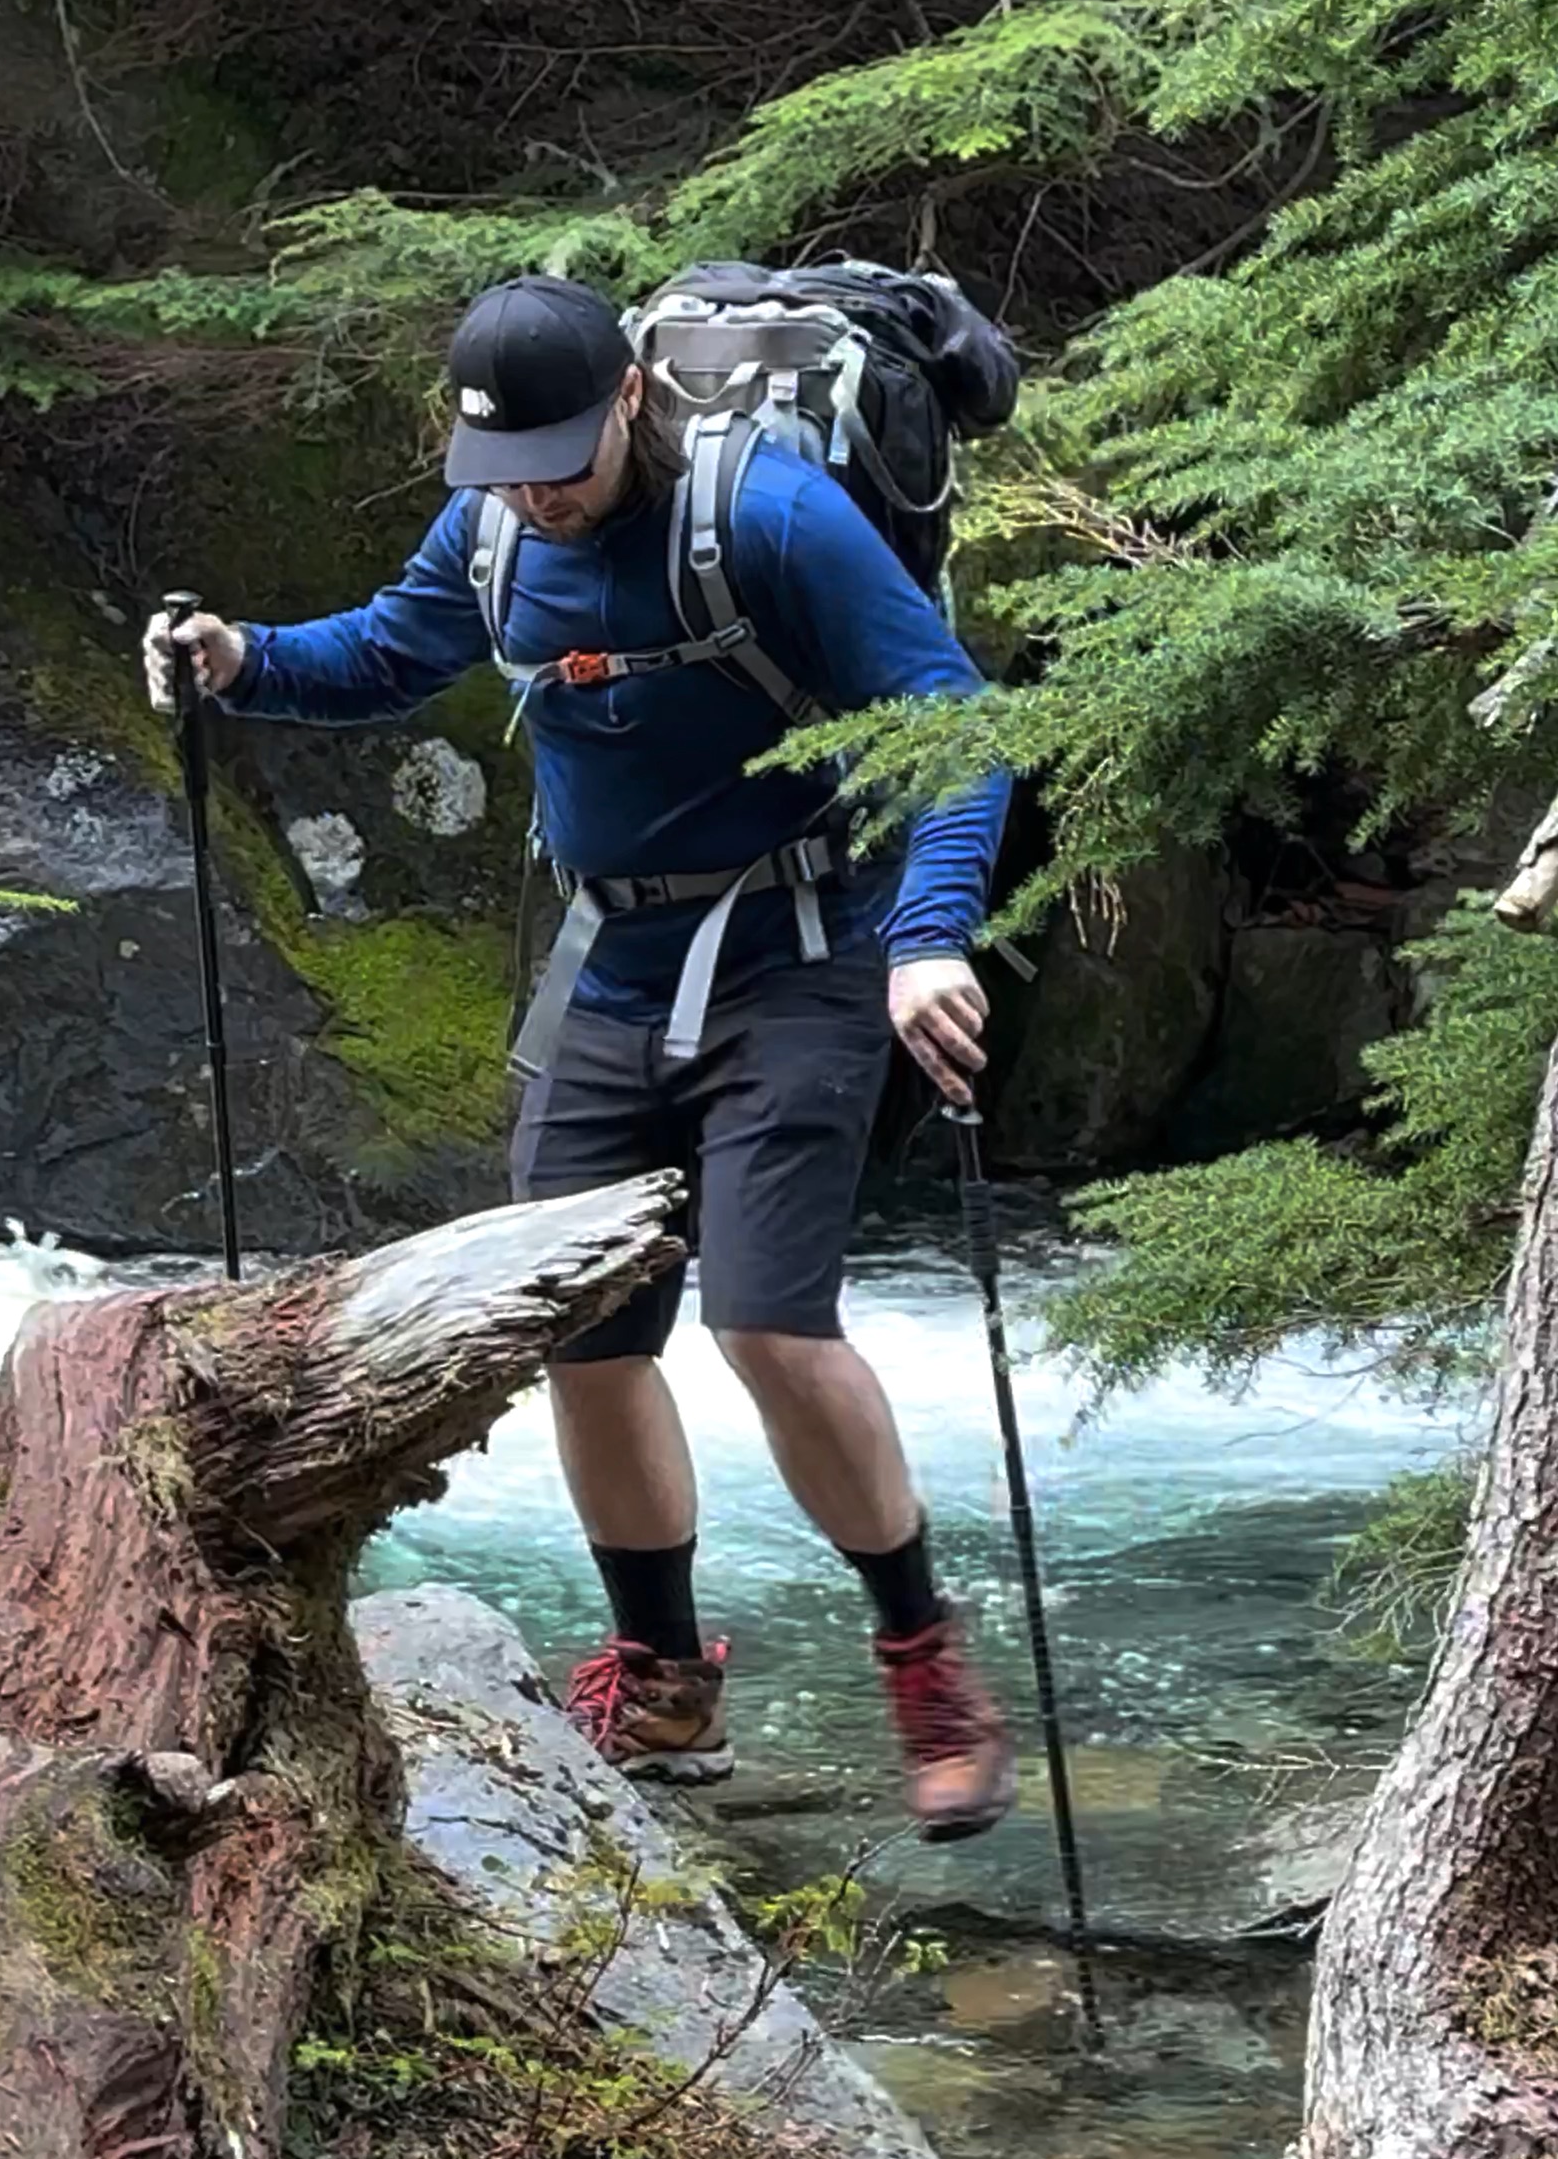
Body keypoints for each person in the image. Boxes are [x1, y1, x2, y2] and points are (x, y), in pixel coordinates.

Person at [144, 272, 1017, 1837]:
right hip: (612, 968)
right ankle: (665, 1679)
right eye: (504, 465)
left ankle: (922, 1656)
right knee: (585, 1331)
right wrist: (243, 661)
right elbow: (393, 650)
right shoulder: (492, 526)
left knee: (768, 1324)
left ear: (629, 397)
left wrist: (932, 935)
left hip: (807, 959)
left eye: (559, 454)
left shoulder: (771, 515)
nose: (535, 494)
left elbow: (949, 721)